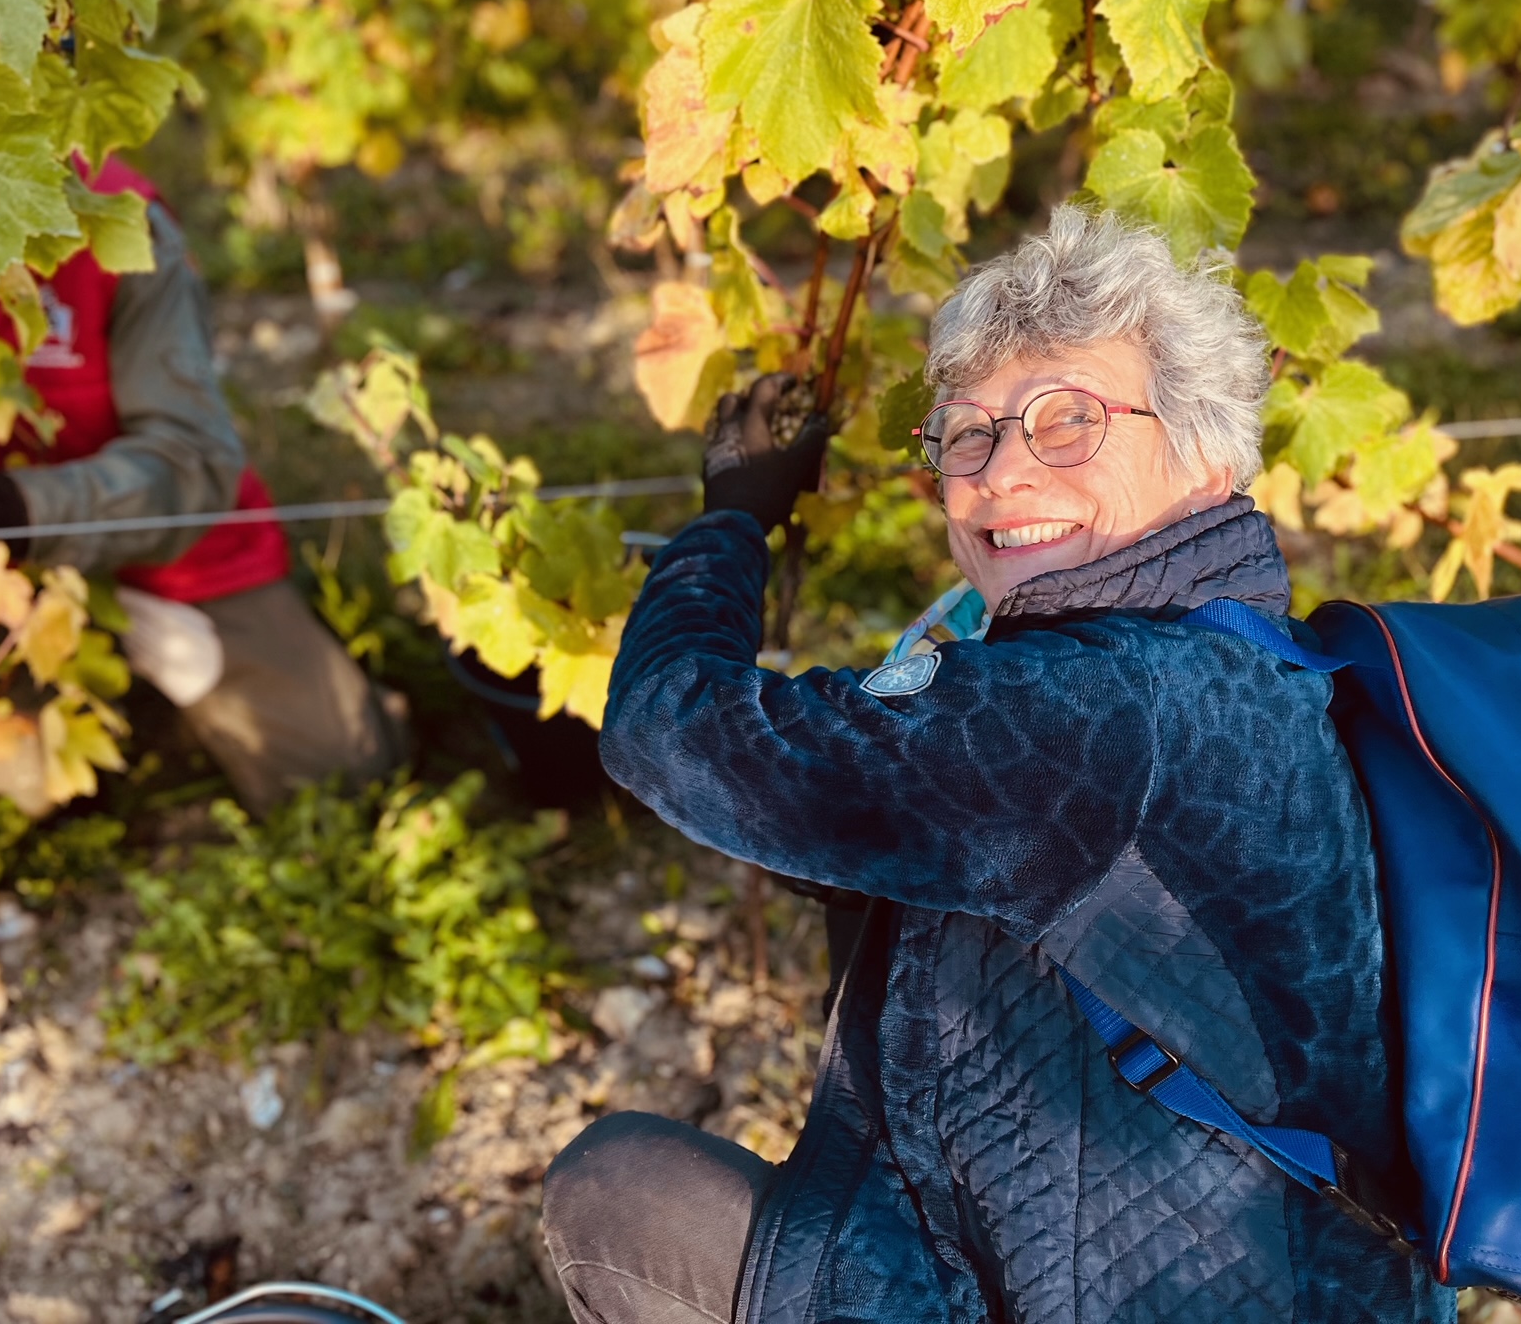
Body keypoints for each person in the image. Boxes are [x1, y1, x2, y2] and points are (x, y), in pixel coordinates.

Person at [542, 207, 1453, 1324]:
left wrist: (730, 522)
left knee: (619, 1196)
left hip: (1149, 1292)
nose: (1001, 469)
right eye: (967, 434)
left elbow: (671, 729)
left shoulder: (1105, 708)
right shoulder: (1229, 665)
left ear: (1208, 452)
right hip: (1125, 1264)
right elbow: (897, 834)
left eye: (1067, 420)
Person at [0, 160, 403, 813]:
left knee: (342, 774)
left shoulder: (115, 216)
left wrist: (7, 513)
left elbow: (192, 461)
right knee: (6, 783)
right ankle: (131, 722)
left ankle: (168, 700)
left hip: (170, 549)